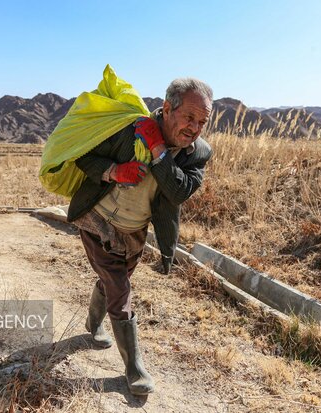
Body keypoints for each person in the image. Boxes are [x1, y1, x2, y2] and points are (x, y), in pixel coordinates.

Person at [67, 78, 213, 396]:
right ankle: (134, 368)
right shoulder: (128, 127)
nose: (195, 128)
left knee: (112, 281)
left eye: (202, 121)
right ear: (168, 107)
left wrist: (158, 151)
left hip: (135, 232)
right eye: (189, 117)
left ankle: (93, 325)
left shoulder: (197, 153)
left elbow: (178, 191)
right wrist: (115, 172)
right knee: (120, 289)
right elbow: (84, 156)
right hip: (98, 219)